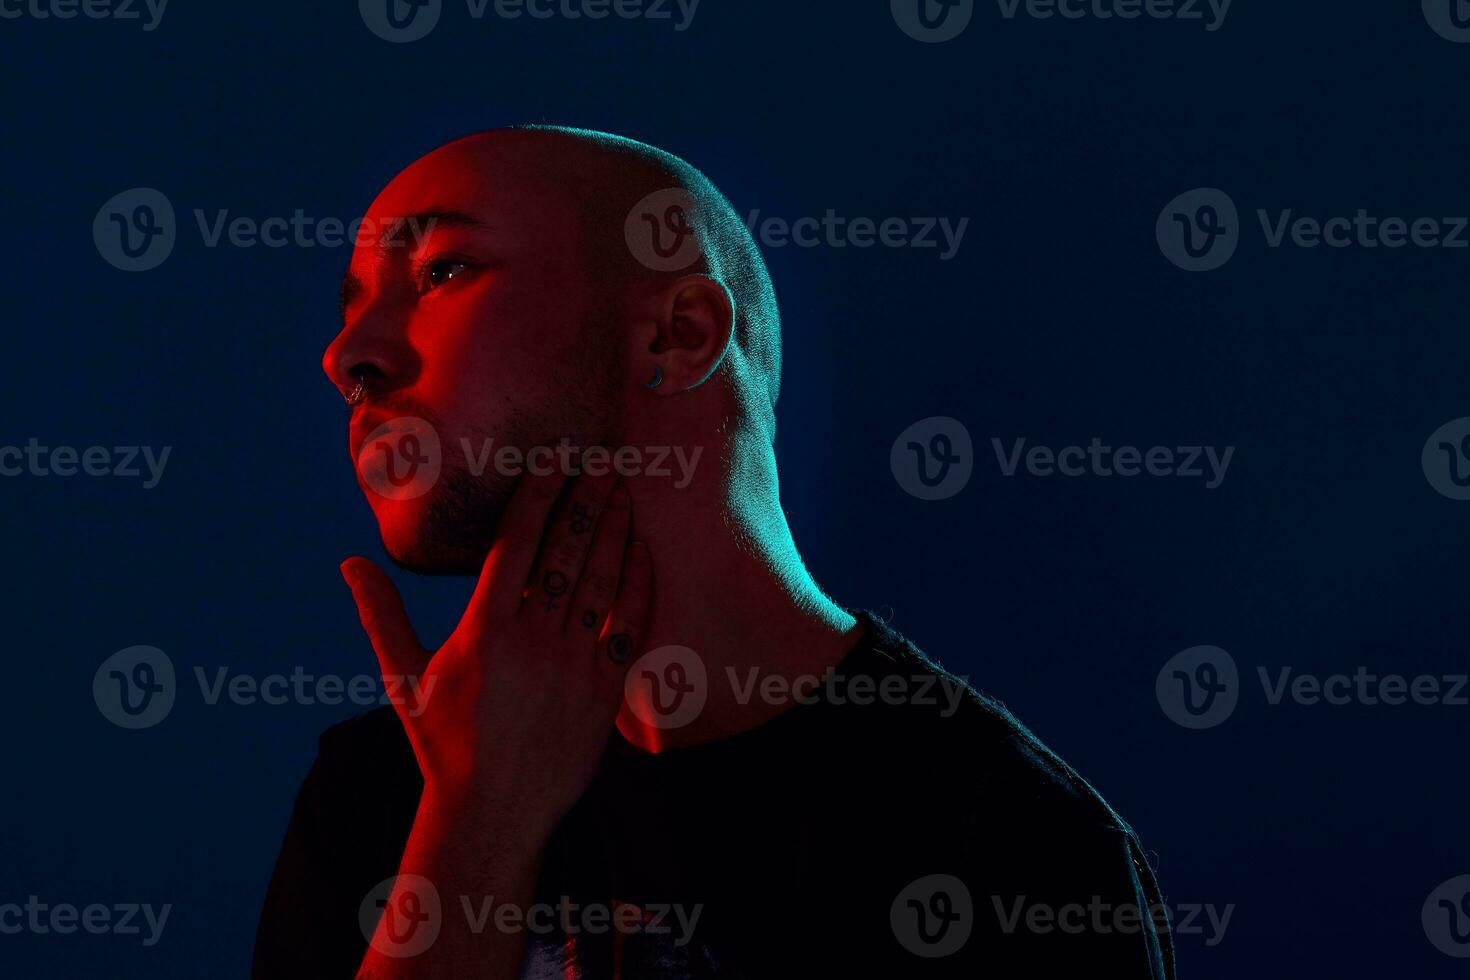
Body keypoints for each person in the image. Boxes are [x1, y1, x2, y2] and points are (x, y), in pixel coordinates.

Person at [251, 125, 1177, 979]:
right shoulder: (378, 797)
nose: (346, 356)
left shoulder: (1009, 841)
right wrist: (474, 826)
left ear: (679, 333)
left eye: (444, 270)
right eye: (351, 307)